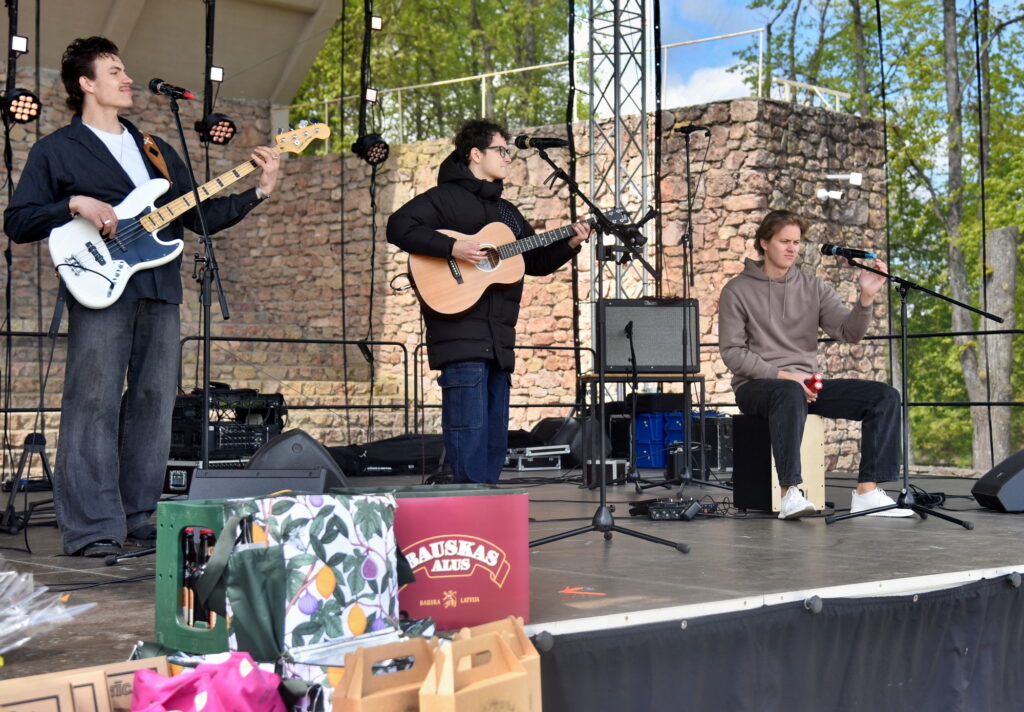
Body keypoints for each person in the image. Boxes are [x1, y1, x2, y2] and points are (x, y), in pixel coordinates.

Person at [4, 37, 281, 556]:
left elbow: (199, 217)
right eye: (113, 71)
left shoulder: (156, 147)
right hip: (98, 288)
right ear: (86, 83)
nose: (126, 78)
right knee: (93, 402)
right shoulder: (57, 149)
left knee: (154, 403)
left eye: (124, 69)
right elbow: (18, 221)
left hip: (159, 287)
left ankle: (136, 513)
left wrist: (259, 190)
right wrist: (73, 203)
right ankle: (92, 527)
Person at [387, 119, 590, 485]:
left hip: (499, 341)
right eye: (501, 150)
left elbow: (535, 261)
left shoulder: (506, 212)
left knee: (495, 435)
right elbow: (398, 227)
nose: (508, 158)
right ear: (476, 154)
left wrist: (571, 243)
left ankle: (489, 501)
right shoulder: (443, 199)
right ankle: (468, 502)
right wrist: (453, 247)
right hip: (461, 337)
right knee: (468, 430)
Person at [718, 209, 913, 519]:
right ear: (764, 242)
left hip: (805, 385)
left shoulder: (814, 287)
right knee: (789, 392)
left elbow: (848, 332)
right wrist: (786, 376)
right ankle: (790, 493)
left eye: (797, 242)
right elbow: (733, 353)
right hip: (756, 387)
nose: (792, 248)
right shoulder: (737, 290)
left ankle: (867, 493)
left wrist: (865, 298)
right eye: (784, 241)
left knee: (884, 397)